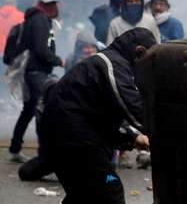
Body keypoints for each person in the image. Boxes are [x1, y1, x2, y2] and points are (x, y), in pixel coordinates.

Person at [39, 28, 155, 204]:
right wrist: (162, 131)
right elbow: (131, 106)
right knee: (110, 189)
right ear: (139, 51)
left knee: (83, 194)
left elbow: (103, 116)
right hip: (74, 140)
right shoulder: (112, 63)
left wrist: (133, 138)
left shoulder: (110, 62)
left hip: (66, 137)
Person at [8, 0, 64, 163]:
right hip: (36, 72)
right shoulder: (40, 20)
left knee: (30, 110)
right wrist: (58, 60)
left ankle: (15, 148)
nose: (52, 7)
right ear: (42, 5)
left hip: (33, 71)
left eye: (54, 4)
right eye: (49, 4)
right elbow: (41, 49)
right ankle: (44, 154)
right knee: (43, 110)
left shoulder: (36, 19)